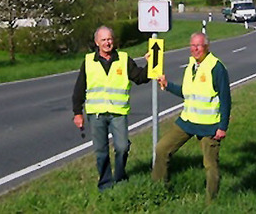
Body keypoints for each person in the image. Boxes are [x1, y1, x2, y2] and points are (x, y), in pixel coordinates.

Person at [153, 32, 231, 204]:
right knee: (162, 149)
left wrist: (222, 126)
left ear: (207, 47)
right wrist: (167, 86)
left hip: (209, 125)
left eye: (199, 45)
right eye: (192, 45)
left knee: (210, 165)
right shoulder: (191, 66)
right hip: (187, 121)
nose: (195, 49)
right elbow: (187, 93)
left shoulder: (216, 67)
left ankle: (211, 202)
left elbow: (226, 99)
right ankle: (158, 191)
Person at [72, 26, 150, 191]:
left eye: (110, 39)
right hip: (97, 114)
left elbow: (140, 78)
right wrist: (77, 113)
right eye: (103, 40)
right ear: (96, 43)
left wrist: (151, 65)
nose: (107, 43)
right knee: (101, 151)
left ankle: (120, 178)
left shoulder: (123, 58)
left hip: (118, 112)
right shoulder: (88, 61)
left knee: (122, 147)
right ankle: (105, 184)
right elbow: (79, 89)